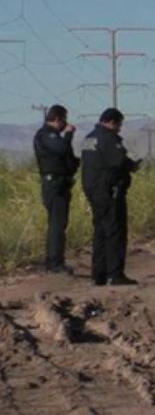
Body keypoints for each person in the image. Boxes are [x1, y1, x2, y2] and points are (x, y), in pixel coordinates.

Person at [81, 108, 141, 286]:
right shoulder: (108, 138)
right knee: (115, 231)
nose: (119, 129)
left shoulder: (89, 138)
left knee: (100, 232)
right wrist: (132, 166)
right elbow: (118, 161)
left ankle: (98, 275)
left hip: (94, 190)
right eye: (119, 125)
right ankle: (115, 275)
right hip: (109, 191)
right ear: (112, 122)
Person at [33, 104, 79, 275]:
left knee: (60, 224)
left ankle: (55, 260)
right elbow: (61, 148)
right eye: (64, 120)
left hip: (62, 184)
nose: (66, 124)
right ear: (58, 119)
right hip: (54, 185)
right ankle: (54, 263)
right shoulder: (46, 134)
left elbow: (67, 156)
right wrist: (69, 134)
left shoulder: (55, 137)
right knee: (57, 225)